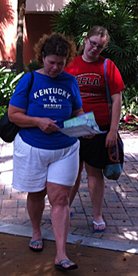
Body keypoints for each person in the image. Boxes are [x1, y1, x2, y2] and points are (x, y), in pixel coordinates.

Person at [8, 33, 83, 271]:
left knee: (60, 199)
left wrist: (85, 125)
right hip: (33, 147)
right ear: (42, 57)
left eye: (61, 63)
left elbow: (77, 111)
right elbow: (13, 115)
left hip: (65, 148)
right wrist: (38, 121)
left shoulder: (70, 81)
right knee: (37, 194)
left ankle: (61, 253)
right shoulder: (29, 80)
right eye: (52, 62)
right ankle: (37, 231)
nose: (55, 67)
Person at [65, 26, 125, 232]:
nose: (94, 49)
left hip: (99, 129)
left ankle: (97, 215)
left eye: (100, 46)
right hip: (73, 128)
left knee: (94, 172)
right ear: (85, 39)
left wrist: (112, 131)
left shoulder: (107, 66)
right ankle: (64, 209)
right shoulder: (69, 63)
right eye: (92, 43)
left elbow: (117, 99)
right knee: (71, 173)